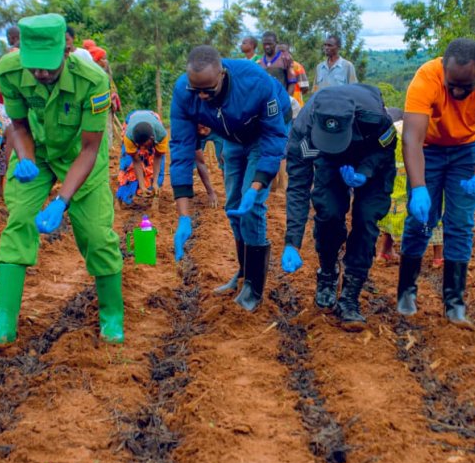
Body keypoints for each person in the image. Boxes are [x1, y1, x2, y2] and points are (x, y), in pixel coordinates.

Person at [0, 13, 125, 351]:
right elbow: (19, 125)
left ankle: (111, 316)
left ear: (66, 51)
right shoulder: (9, 70)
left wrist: (62, 201)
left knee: (95, 233)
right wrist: (26, 159)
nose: (40, 74)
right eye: (34, 66)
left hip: (80, 156)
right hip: (37, 152)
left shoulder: (92, 80)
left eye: (47, 66)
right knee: (18, 222)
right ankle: (4, 325)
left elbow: (90, 148)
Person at [397, 38, 475, 324]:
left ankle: (454, 302)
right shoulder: (426, 78)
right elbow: (412, 138)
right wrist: (419, 187)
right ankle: (406, 292)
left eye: (466, 86)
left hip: (468, 148)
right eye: (452, 85)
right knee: (421, 220)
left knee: (460, 222)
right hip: (428, 148)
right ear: (443, 70)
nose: (458, 92)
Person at [170, 45, 289, 311]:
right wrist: (184, 216)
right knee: (233, 206)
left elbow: (274, 137)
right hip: (233, 136)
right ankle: (244, 273)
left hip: (265, 131)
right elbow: (181, 151)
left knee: (251, 205)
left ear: (222, 74)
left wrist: (256, 186)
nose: (201, 96)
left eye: (208, 90)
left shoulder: (255, 81)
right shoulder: (183, 92)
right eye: (196, 90)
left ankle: (254, 288)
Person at [282, 84, 396, 330]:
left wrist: (365, 171)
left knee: (366, 219)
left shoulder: (374, 117)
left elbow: (386, 148)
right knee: (328, 212)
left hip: (370, 156)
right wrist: (292, 242)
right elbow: (299, 186)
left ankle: (350, 296)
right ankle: (327, 273)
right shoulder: (304, 131)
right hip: (329, 160)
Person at [376, 110, 446, 267]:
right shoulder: (429, 130)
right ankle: (438, 257)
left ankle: (384, 252)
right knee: (433, 213)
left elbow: (380, 149)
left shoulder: (392, 132)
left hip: (397, 184)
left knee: (393, 216)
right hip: (424, 181)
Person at [116, 109, 169, 205]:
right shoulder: (129, 137)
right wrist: (142, 185)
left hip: (152, 118)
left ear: (152, 139)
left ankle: (154, 189)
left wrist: (155, 182)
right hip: (132, 121)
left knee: (152, 163)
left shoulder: (161, 135)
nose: (142, 148)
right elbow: (136, 161)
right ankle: (122, 197)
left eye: (144, 145)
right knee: (127, 165)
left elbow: (158, 158)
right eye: (139, 145)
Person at [257, 31, 297, 96]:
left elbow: (292, 82)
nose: (267, 47)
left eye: (270, 44)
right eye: (265, 44)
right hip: (265, 99)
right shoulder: (259, 62)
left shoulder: (285, 59)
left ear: (276, 43)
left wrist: (287, 99)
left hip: (281, 98)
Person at [278, 42, 310, 107]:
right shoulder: (273, 67)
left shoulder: (297, 67)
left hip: (296, 105)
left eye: (283, 51)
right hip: (280, 105)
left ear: (288, 52)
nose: (280, 54)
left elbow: (305, 88)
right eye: (278, 52)